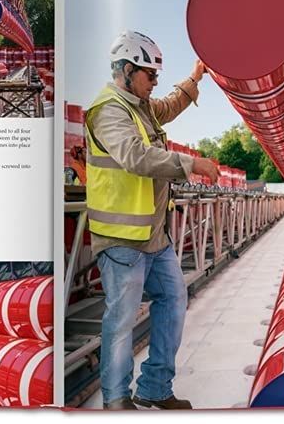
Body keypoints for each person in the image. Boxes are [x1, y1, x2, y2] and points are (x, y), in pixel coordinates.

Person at [85, 31, 218, 410]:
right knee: (122, 321)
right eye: (149, 75)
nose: (155, 82)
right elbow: (135, 156)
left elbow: (170, 105)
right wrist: (191, 163)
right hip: (122, 239)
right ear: (127, 70)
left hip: (153, 236)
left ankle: (155, 387)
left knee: (174, 299)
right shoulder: (109, 109)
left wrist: (196, 77)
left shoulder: (139, 104)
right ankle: (115, 400)